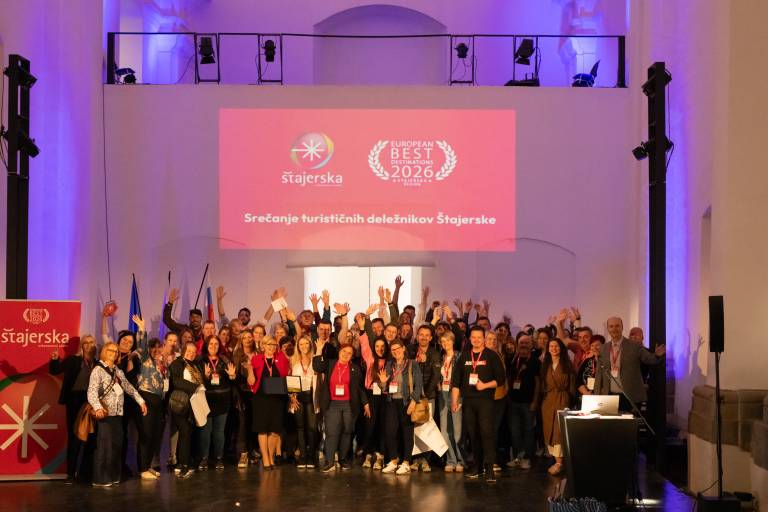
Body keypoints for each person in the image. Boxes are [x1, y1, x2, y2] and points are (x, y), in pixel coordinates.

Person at [314, 304, 371, 473]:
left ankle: (344, 459)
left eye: (349, 353)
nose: (346, 354)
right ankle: (330, 461)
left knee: (347, 432)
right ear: (339, 352)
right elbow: (317, 366)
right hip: (332, 404)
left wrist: (365, 403)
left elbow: (359, 389)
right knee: (332, 433)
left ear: (352, 356)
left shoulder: (355, 369)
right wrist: (319, 349)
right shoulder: (330, 364)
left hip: (348, 405)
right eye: (344, 352)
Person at [87, 342, 147, 487]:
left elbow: (128, 387)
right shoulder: (98, 370)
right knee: (104, 446)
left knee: (116, 446)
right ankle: (100, 478)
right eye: (110, 351)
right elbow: (91, 392)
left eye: (116, 352)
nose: (113, 354)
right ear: (104, 352)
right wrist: (97, 407)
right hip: (105, 414)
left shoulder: (118, 371)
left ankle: (113, 476)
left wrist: (141, 401)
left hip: (118, 413)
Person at [450, 325, 505, 483]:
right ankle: (477, 467)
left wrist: (484, 385)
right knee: (473, 435)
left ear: (484, 339)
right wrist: (454, 401)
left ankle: (489, 469)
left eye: (479, 337)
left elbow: (501, 379)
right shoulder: (464, 356)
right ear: (470, 338)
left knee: (486, 434)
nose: (476, 340)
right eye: (473, 337)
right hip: (468, 401)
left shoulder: (491, 356)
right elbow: (456, 381)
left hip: (485, 401)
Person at [49, 334, 98, 484]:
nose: (89, 345)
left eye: (91, 342)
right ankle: (71, 474)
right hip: (75, 402)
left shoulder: (98, 364)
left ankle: (85, 473)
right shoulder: (73, 360)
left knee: (92, 438)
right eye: (86, 343)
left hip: (92, 403)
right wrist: (55, 359)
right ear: (81, 346)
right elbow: (55, 370)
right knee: (74, 437)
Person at [594, 317, 665, 411]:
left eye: (617, 326)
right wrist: (596, 396)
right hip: (609, 396)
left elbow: (648, 358)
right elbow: (599, 375)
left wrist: (657, 356)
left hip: (630, 397)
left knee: (630, 421)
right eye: (611, 326)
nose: (614, 329)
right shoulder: (603, 349)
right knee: (611, 421)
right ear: (608, 329)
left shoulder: (634, 346)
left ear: (622, 327)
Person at [376, 339, 421, 475]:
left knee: (407, 433)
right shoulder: (389, 365)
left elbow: (419, 385)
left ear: (403, 348)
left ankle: (406, 463)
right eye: (393, 350)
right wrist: (383, 383)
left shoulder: (412, 364)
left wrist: (413, 401)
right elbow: (384, 388)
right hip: (391, 401)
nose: (396, 351)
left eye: (398, 348)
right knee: (389, 431)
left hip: (406, 402)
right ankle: (394, 461)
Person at [131, 315, 169, 480]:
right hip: (145, 399)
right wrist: (142, 328)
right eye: (153, 347)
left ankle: (148, 466)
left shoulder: (163, 365)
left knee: (154, 435)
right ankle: (142, 469)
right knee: (145, 435)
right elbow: (141, 346)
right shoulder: (145, 359)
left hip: (158, 403)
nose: (156, 350)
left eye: (158, 347)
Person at [246, 335, 290, 470]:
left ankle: (271, 457)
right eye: (268, 344)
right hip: (261, 399)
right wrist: (249, 369)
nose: (271, 347)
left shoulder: (281, 358)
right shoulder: (256, 359)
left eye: (273, 345)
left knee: (275, 430)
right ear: (263, 346)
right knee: (262, 429)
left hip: (277, 399)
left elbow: (287, 376)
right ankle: (265, 458)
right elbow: (251, 382)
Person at [196, 335, 237, 470]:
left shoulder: (225, 360)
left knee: (219, 432)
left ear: (220, 346)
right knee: (205, 431)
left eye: (216, 344)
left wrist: (232, 376)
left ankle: (219, 458)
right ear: (206, 345)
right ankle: (204, 458)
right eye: (211, 344)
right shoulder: (200, 360)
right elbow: (195, 381)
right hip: (205, 400)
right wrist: (205, 377)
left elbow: (232, 381)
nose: (213, 346)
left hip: (222, 401)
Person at [358, 307, 389, 470]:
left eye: (382, 346)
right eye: (377, 346)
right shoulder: (370, 359)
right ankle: (368, 454)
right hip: (371, 396)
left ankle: (380, 456)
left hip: (386, 397)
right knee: (370, 427)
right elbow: (364, 344)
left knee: (382, 427)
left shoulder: (390, 362)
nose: (379, 349)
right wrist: (363, 326)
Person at [539, 338, 575, 476]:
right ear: (548, 349)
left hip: (562, 399)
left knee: (559, 431)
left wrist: (570, 402)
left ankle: (559, 462)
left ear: (561, 348)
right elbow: (542, 384)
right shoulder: (545, 365)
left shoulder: (567, 365)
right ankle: (556, 460)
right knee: (549, 430)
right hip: (548, 401)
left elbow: (572, 386)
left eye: (557, 346)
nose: (554, 348)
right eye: (551, 346)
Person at [408, 323, 441, 472]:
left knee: (427, 428)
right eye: (421, 334)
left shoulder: (434, 353)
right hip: (412, 396)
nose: (424, 337)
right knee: (414, 428)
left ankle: (426, 460)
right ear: (417, 336)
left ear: (431, 338)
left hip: (428, 396)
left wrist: (424, 396)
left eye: (427, 335)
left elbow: (435, 376)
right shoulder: (411, 350)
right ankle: (415, 460)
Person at [168, 341, 204, 478]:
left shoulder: (195, 365)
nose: (191, 354)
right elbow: (176, 381)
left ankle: (184, 462)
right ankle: (183, 464)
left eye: (194, 352)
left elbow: (200, 382)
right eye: (189, 351)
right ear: (183, 351)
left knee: (189, 433)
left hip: (194, 403)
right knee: (185, 431)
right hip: (181, 404)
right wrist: (195, 387)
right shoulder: (177, 363)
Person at [506, 334, 540, 470]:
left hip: (528, 403)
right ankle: (517, 458)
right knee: (515, 432)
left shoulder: (535, 361)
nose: (524, 345)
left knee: (528, 431)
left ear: (531, 345)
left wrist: (535, 402)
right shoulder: (514, 359)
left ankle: (527, 458)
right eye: (521, 343)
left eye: (526, 343)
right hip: (513, 402)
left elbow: (538, 383)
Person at [437, 331, 465, 472]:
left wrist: (461, 397)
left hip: (456, 394)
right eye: (443, 341)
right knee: (445, 431)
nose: (446, 343)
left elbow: (463, 377)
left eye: (448, 340)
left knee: (457, 431)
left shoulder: (459, 356)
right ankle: (451, 460)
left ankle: (460, 461)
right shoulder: (441, 357)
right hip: (443, 394)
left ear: (453, 341)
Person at [290, 336, 319, 469]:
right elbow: (291, 379)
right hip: (298, 396)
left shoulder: (315, 360)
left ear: (310, 345)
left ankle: (311, 456)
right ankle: (302, 457)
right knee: (300, 427)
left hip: (311, 395)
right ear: (298, 346)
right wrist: (292, 397)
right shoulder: (294, 361)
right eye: (301, 344)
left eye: (306, 343)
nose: (304, 346)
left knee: (312, 427)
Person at [232, 330, 258, 468]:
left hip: (257, 393)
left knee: (253, 422)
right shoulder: (237, 355)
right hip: (242, 393)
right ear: (241, 340)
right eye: (244, 338)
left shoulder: (258, 353)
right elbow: (234, 376)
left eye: (249, 337)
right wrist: (237, 397)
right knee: (243, 423)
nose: (247, 340)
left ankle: (252, 450)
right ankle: (243, 453)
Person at [577, 334, 605, 399]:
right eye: (592, 345)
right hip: (587, 397)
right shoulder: (587, 361)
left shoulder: (608, 362)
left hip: (603, 398)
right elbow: (578, 381)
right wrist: (586, 393)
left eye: (597, 345)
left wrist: (599, 394)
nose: (594, 348)